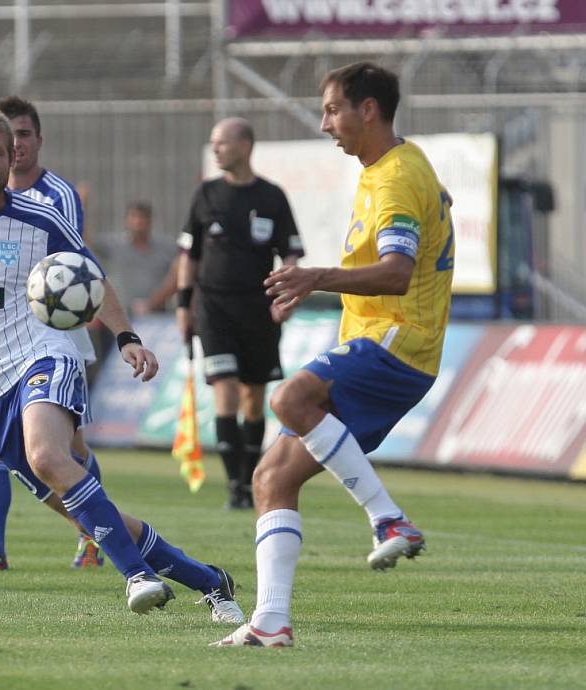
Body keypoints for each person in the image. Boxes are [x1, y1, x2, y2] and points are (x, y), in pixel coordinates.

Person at [0, 105, 244, 623]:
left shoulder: (41, 219)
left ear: (11, 154)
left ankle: (136, 577)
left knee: (47, 454)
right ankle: (209, 580)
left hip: (44, 353)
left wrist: (127, 336)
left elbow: (94, 277)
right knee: (84, 509)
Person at [215, 62, 455, 647]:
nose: (325, 123)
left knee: (289, 397)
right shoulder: (388, 168)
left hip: (401, 340)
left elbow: (398, 274)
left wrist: (318, 276)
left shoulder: (397, 178)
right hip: (379, 340)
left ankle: (387, 516)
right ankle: (271, 622)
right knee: (270, 476)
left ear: (366, 109)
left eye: (331, 109)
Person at [0, 95, 106, 571]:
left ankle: (94, 531)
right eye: (5, 138)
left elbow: (69, 270)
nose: (13, 147)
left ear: (36, 140)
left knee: (67, 448)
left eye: (23, 136)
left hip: (50, 332)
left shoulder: (56, 196)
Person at [175, 117, 304, 510]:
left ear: (245, 145)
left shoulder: (272, 197)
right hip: (214, 309)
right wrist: (183, 304)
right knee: (226, 388)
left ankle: (250, 481)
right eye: (213, 143)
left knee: (253, 397)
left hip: (258, 311)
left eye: (222, 143)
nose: (215, 149)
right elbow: (189, 255)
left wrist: (286, 295)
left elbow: (292, 252)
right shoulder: (206, 194)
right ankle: (235, 485)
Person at [95, 201, 178, 317]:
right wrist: (82, 204)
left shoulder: (167, 247)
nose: (138, 222)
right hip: (123, 316)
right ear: (126, 221)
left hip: (159, 317)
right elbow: (85, 242)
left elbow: (179, 272)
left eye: (142, 217)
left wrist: (152, 303)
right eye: (134, 217)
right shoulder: (116, 244)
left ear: (150, 221)